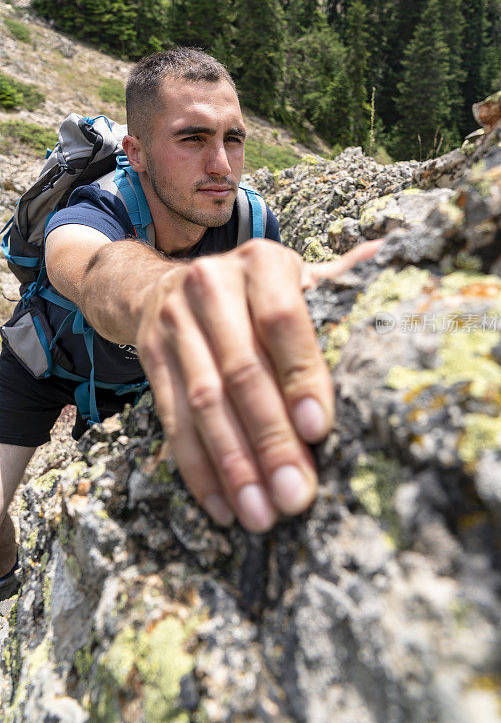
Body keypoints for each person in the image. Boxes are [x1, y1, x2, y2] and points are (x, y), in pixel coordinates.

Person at [0, 47, 379, 598]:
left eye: (234, 138)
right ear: (137, 152)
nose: (222, 165)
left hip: (139, 379)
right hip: (43, 364)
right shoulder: (88, 210)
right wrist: (166, 290)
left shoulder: (251, 221)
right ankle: (7, 581)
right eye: (193, 138)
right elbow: (85, 267)